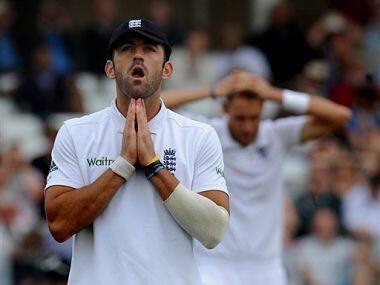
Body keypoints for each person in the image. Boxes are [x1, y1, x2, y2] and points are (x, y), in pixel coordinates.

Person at [44, 19, 230, 285]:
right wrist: (122, 165)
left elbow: (214, 231)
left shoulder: (198, 135)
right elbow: (59, 225)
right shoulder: (76, 132)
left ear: (167, 69)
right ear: (110, 68)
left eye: (149, 48)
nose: (138, 55)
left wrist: (153, 166)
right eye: (127, 48)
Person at [162, 71, 352, 284]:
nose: (248, 127)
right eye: (240, 118)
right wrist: (213, 91)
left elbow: (341, 115)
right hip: (213, 262)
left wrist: (273, 94)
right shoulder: (208, 133)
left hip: (266, 265)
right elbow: (158, 106)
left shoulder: (277, 135)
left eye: (254, 118)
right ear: (225, 109)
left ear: (263, 110)